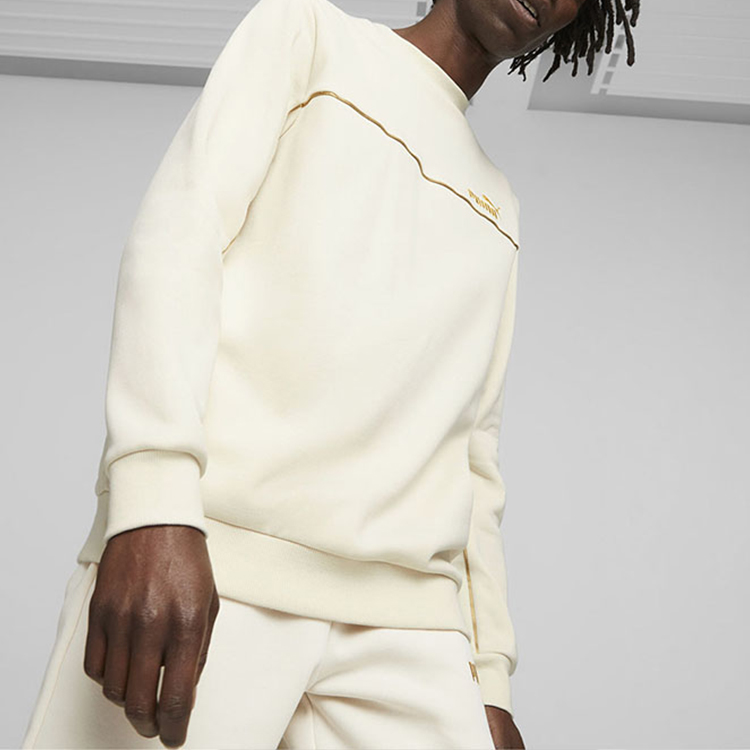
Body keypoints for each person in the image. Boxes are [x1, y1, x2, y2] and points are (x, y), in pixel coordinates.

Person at [21, 0, 639, 748]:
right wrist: (154, 507)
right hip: (212, 565)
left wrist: (489, 677)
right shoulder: (306, 37)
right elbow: (178, 244)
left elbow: (473, 452)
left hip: (408, 622)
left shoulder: (499, 204)